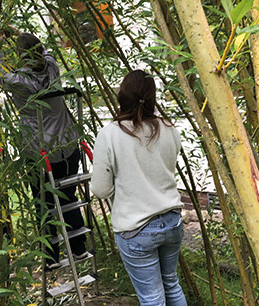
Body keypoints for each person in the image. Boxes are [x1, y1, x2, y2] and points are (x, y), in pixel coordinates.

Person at [91, 70, 187, 306]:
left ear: (121, 97)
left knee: (152, 298)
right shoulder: (169, 128)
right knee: (171, 284)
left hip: (136, 228)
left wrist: (123, 189)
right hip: (172, 221)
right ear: (153, 98)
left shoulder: (110, 134)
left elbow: (100, 190)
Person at [0, 32, 87, 269]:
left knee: (43, 204)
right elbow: (46, 53)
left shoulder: (19, 81)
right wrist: (19, 35)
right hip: (68, 146)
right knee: (68, 196)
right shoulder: (53, 68)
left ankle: (51, 257)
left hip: (40, 153)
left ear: (19, 56)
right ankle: (79, 248)